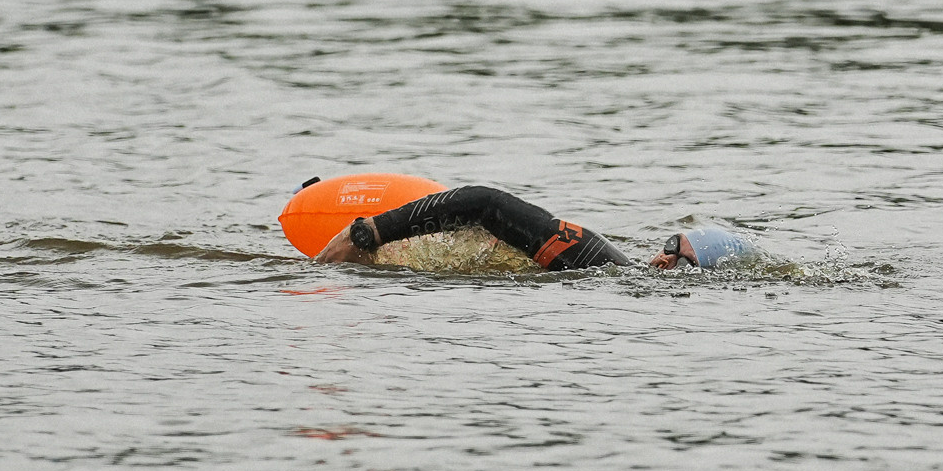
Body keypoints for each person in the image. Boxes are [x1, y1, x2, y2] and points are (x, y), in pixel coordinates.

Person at [308, 183, 756, 272]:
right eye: (667, 244)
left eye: (677, 255)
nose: (661, 257)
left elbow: (485, 203)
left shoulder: (602, 268)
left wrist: (367, 233)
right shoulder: (604, 266)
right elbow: (484, 207)